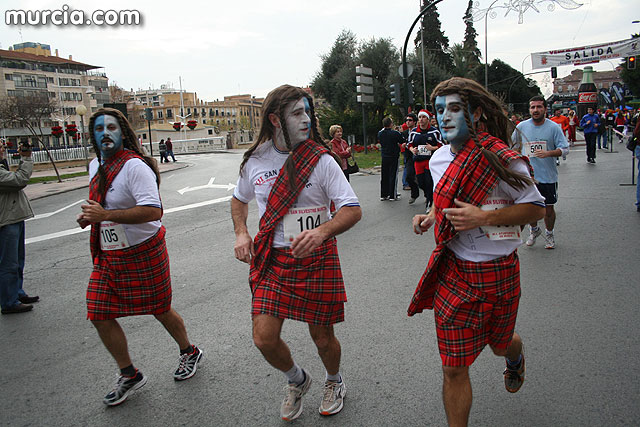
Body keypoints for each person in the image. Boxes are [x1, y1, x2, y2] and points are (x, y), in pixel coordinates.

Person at [408, 77, 545, 427]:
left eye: (454, 108)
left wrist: (484, 217)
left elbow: (535, 209)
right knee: (454, 367)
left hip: (500, 272)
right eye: (440, 110)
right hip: (456, 272)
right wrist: (430, 216)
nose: (445, 117)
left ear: (477, 112)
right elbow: (445, 202)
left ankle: (514, 355)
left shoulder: (503, 158)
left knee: (500, 345)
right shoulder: (439, 159)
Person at [231, 85, 361, 421]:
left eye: (308, 112)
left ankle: (334, 381)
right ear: (276, 119)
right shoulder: (256, 159)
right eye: (297, 113)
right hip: (273, 260)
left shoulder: (322, 160)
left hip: (316, 258)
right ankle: (297, 379)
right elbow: (238, 198)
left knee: (321, 337)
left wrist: (322, 232)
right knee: (264, 338)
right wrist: (242, 231)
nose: (307, 119)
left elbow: (352, 208)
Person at [76, 108, 202, 406]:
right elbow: (101, 204)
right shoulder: (95, 165)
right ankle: (129, 373)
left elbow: (153, 210)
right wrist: (91, 217)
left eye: (110, 127)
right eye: (98, 129)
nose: (105, 133)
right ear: (92, 135)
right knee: (98, 312)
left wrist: (106, 214)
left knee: (160, 309)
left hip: (144, 250)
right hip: (110, 254)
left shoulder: (135, 167)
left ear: (122, 132)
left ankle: (189, 351)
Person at [513, 96, 569, 250]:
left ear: (545, 109)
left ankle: (549, 234)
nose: (535, 110)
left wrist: (548, 153)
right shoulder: (521, 127)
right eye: (532, 107)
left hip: (548, 176)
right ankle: (534, 230)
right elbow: (514, 146)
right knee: (530, 208)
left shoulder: (553, 127)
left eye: (539, 107)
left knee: (548, 209)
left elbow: (565, 149)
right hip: (529, 177)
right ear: (529, 110)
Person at [1, 142, 40, 315]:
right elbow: (20, 179)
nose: (2, 149)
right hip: (6, 221)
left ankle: (17, 293)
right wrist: (25, 158)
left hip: (13, 217)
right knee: (8, 264)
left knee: (17, 261)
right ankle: (9, 302)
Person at [407, 109, 443, 210]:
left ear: (428, 119)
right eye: (420, 117)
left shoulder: (434, 132)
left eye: (423, 117)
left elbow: (442, 145)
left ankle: (429, 202)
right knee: (421, 182)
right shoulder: (414, 132)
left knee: (428, 181)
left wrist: (433, 148)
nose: (421, 120)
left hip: (430, 161)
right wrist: (412, 149)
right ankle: (428, 195)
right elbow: (409, 144)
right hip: (418, 161)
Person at [377, 117, 402, 201]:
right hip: (394, 155)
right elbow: (402, 141)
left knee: (384, 175)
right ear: (391, 124)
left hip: (384, 156)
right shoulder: (395, 133)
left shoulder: (380, 133)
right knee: (393, 175)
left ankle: (384, 194)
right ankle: (392, 194)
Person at [401, 114, 417, 190]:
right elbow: (401, 142)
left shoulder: (418, 132)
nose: (408, 122)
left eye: (410, 120)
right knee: (408, 169)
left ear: (414, 122)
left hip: (417, 153)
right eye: (406, 120)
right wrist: (403, 145)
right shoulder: (404, 133)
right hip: (408, 153)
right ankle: (406, 183)